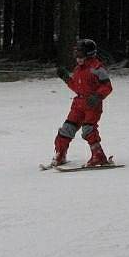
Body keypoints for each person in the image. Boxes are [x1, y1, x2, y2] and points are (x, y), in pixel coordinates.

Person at [51, 39, 113, 167]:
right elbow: (77, 87)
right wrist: (66, 78)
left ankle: (98, 155)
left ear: (89, 55)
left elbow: (107, 86)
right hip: (78, 104)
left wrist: (97, 96)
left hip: (92, 105)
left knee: (88, 129)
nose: (78, 59)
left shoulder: (97, 68)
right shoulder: (78, 69)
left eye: (81, 56)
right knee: (66, 129)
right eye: (76, 55)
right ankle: (60, 154)